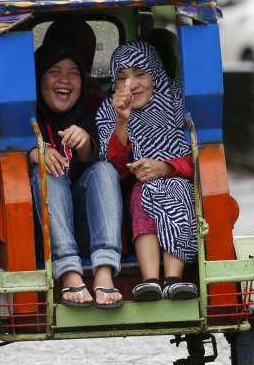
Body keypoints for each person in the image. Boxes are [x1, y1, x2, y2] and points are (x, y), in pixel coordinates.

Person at [96, 40, 198, 302]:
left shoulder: (179, 101)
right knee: (145, 193)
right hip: (133, 191)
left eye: (140, 74)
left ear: (155, 73)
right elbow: (113, 167)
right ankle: (150, 280)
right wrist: (122, 119)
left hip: (180, 181)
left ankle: (175, 278)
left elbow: (199, 157)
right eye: (122, 78)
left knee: (176, 190)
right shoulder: (108, 111)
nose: (131, 84)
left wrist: (166, 168)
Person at [29, 43, 124, 309]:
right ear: (39, 79)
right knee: (52, 174)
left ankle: (104, 272)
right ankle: (70, 274)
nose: (64, 79)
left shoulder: (94, 109)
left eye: (73, 73)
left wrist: (84, 144)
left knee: (104, 169)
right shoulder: (23, 114)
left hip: (90, 227)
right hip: (42, 233)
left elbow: (103, 154)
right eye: (54, 71)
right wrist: (34, 154)